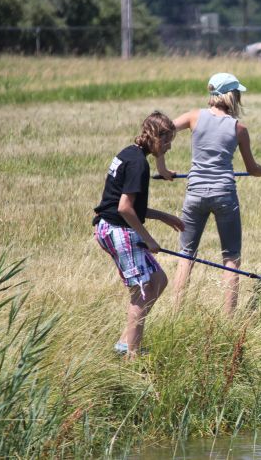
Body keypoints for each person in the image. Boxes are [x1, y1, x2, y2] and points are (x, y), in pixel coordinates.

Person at [156, 73, 261, 314]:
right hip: (224, 194)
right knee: (231, 258)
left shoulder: (194, 117)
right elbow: (252, 169)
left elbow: (160, 131)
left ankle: (176, 314)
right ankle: (229, 318)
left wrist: (161, 167)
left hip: (195, 193)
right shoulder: (239, 128)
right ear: (232, 96)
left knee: (186, 255)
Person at [93, 111, 185, 357]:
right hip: (118, 229)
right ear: (155, 136)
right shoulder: (138, 164)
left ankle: (126, 343)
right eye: (166, 141)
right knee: (142, 291)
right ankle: (132, 357)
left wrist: (164, 216)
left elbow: (128, 205)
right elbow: (124, 208)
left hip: (110, 226)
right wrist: (148, 238)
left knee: (158, 281)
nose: (169, 146)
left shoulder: (129, 153)